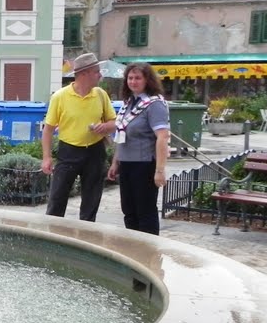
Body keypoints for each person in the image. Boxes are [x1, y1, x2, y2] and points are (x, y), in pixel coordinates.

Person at [41, 52, 117, 221]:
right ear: (84, 74)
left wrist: (105, 126)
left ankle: (86, 237)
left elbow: (114, 123)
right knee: (57, 198)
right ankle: (52, 235)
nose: (100, 75)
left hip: (95, 152)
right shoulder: (60, 96)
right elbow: (48, 129)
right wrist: (46, 158)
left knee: (92, 199)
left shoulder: (100, 95)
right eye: (97, 71)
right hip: (68, 151)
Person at [106, 62, 171, 235]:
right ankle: (133, 248)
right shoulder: (129, 103)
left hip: (144, 164)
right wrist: (115, 162)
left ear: (147, 80)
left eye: (138, 78)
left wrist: (160, 170)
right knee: (129, 210)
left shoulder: (155, 104)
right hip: (126, 163)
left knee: (145, 212)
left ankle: (149, 251)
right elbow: (121, 134)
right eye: (130, 78)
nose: (133, 81)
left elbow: (162, 137)